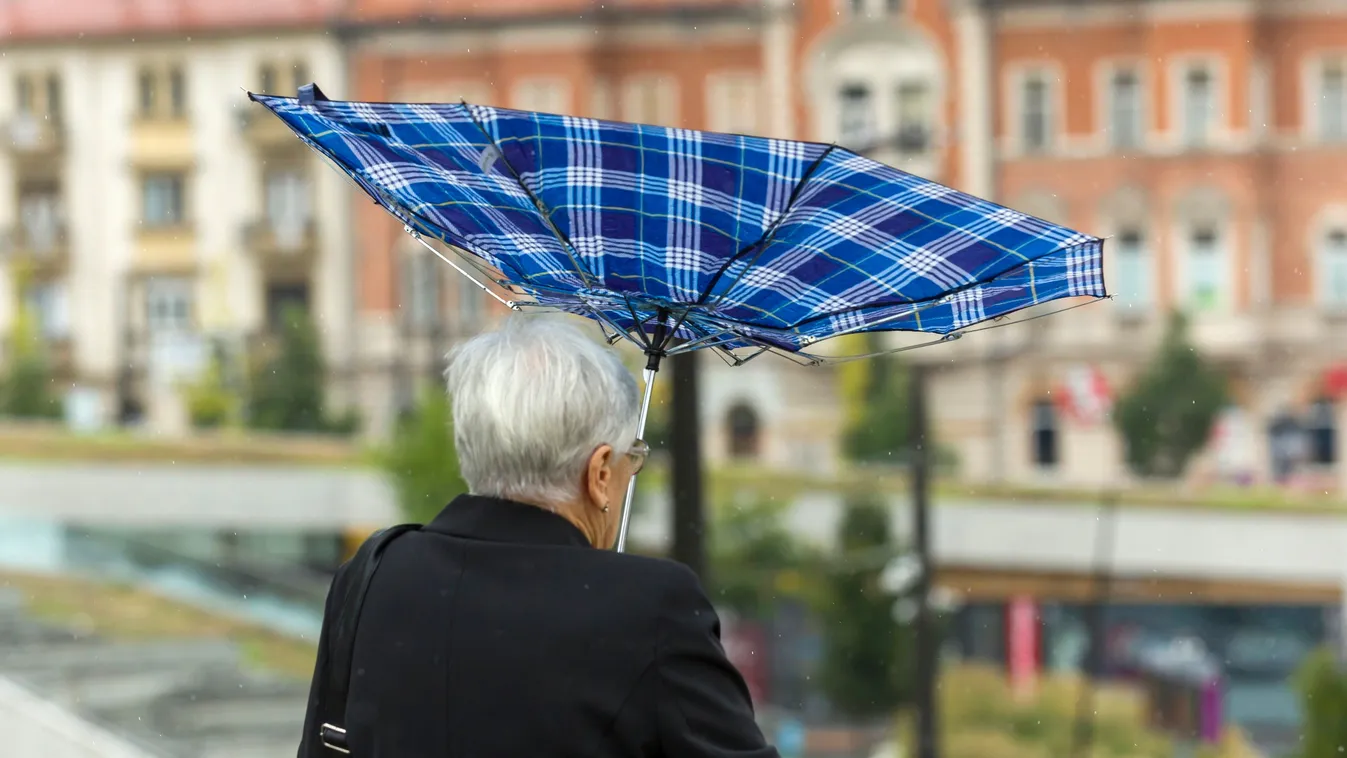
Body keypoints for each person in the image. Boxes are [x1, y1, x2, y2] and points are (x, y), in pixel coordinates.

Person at [299, 315, 779, 758]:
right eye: (633, 458)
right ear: (598, 474)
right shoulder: (651, 609)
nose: (632, 471)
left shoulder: (372, 575)